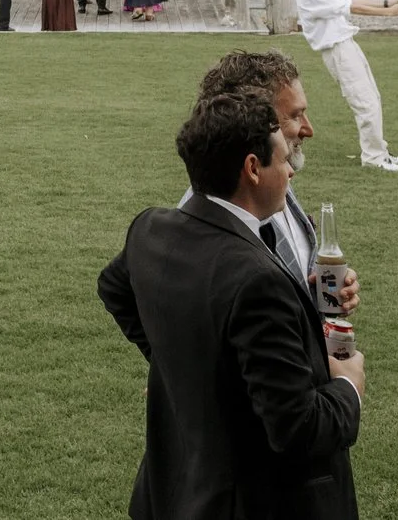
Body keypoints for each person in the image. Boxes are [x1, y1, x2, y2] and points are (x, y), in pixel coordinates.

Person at [98, 91, 363, 519]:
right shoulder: (258, 280)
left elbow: (113, 287)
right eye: (283, 161)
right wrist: (348, 385)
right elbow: (298, 429)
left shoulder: (150, 228)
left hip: (173, 491)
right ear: (253, 169)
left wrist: (183, 365)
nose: (291, 174)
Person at [182, 50, 358, 319]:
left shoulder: (272, 174)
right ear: (251, 117)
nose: (309, 130)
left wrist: (319, 294)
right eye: (296, 115)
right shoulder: (210, 216)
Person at [281, 0, 398, 171]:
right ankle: (373, 158)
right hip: (337, 50)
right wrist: (388, 13)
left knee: (372, 97)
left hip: (347, 44)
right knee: (364, 103)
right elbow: (353, 8)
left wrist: (387, 1)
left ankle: (380, 152)